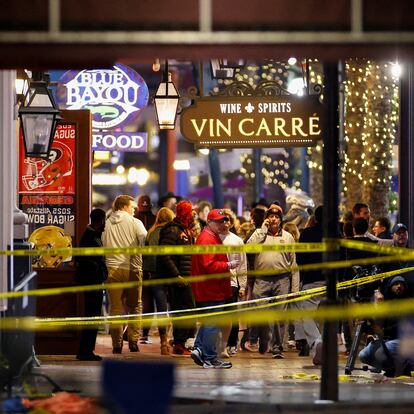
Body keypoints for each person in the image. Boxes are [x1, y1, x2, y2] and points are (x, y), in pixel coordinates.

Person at [246, 204, 299, 359]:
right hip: (261, 280)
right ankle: (264, 338)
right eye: (270, 216)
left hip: (281, 280)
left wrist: (294, 288)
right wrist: (262, 231)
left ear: (280, 220)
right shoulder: (258, 234)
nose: (273, 219)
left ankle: (277, 347)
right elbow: (248, 249)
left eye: (276, 217)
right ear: (266, 219)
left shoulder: (287, 237)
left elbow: (293, 264)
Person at [190, 209, 239, 369]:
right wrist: (228, 265)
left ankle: (199, 349)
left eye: (223, 220)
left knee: (208, 322)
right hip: (211, 289)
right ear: (209, 222)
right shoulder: (207, 239)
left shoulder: (210, 237)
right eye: (218, 221)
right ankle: (210, 358)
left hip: (211, 288)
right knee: (212, 324)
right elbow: (208, 265)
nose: (222, 224)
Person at [102, 195, 147, 354]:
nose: (134, 209)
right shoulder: (136, 223)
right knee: (135, 306)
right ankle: (133, 342)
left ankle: (117, 344)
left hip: (112, 269)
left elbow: (103, 245)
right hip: (133, 269)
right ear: (124, 206)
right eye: (132, 207)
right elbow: (144, 241)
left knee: (115, 308)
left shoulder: (106, 224)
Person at [158, 200, 195, 356]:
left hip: (186, 277)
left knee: (187, 310)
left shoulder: (184, 229)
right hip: (178, 279)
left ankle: (181, 341)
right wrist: (176, 275)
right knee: (183, 310)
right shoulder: (173, 230)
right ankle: (179, 343)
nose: (193, 214)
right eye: (191, 211)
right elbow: (164, 254)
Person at [359, 276, 413, 376]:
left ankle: (406, 366)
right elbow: (375, 328)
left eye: (402, 284)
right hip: (387, 340)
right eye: (396, 284)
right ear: (390, 286)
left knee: (381, 352)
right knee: (363, 355)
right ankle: (392, 368)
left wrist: (383, 330)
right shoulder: (384, 303)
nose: (399, 286)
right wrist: (367, 322)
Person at [292, 206, 325, 362]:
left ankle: (318, 341)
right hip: (333, 283)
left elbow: (300, 259)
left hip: (311, 280)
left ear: (315, 218)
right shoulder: (336, 234)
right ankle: (323, 351)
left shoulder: (307, 234)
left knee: (307, 315)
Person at [76, 208, 108, 361]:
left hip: (95, 281)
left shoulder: (93, 235)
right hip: (92, 282)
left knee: (93, 316)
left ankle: (88, 349)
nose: (105, 224)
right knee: (92, 316)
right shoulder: (89, 236)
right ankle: (85, 351)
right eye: (104, 220)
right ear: (100, 220)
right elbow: (84, 259)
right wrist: (98, 269)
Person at [143, 207, 175, 355]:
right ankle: (170, 341)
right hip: (169, 273)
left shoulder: (151, 232)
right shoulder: (171, 232)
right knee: (174, 307)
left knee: (161, 308)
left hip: (154, 274)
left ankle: (164, 342)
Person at [219, 208, 248, 357]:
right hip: (216, 283)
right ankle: (219, 344)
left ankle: (231, 343)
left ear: (231, 222)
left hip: (232, 282)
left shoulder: (237, 241)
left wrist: (242, 285)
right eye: (222, 220)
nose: (224, 223)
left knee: (231, 315)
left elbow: (242, 264)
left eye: (227, 220)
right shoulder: (214, 238)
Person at [134, 194, 157, 345]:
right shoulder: (155, 220)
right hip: (150, 266)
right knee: (148, 300)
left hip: (134, 263)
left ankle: (130, 332)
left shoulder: (134, 220)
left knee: (131, 301)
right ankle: (144, 333)